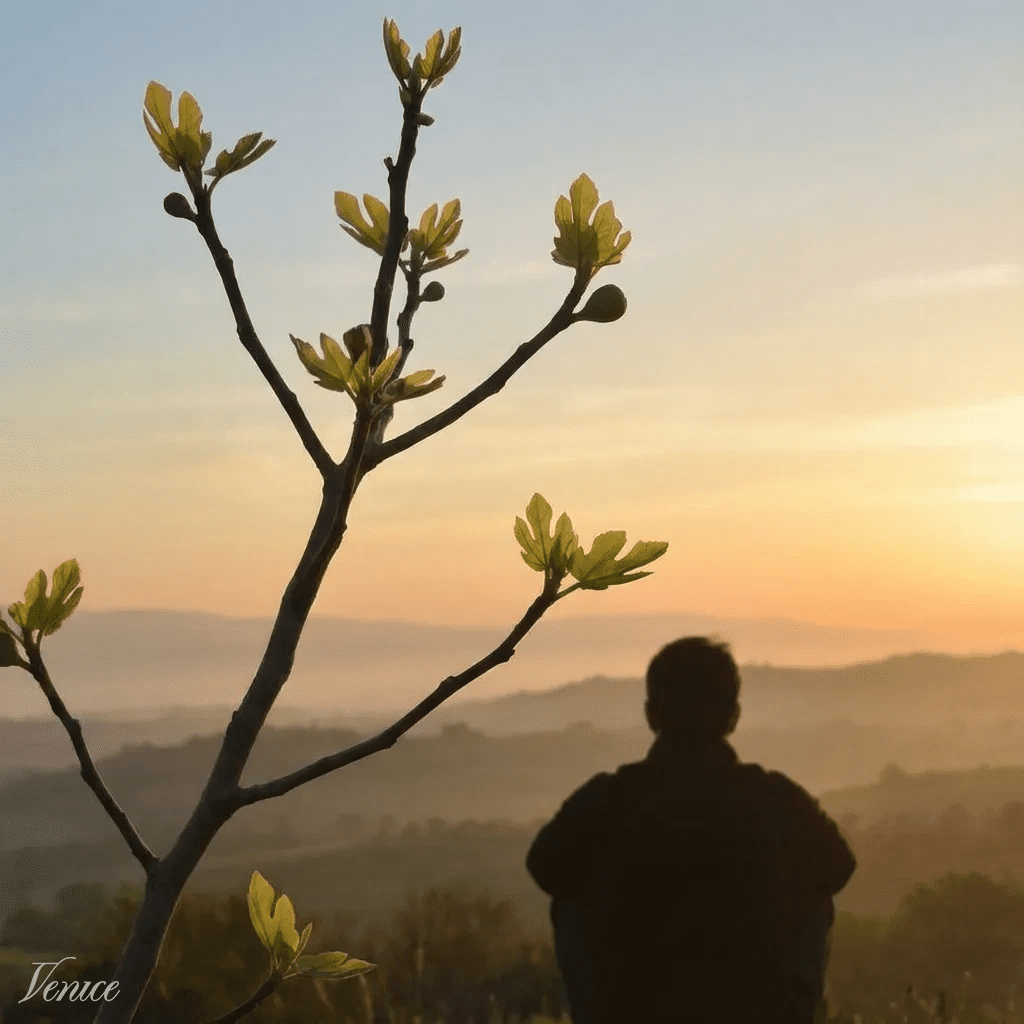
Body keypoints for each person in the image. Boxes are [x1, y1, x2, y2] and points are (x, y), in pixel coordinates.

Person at [526, 637, 857, 1023]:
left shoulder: (604, 803)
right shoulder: (779, 803)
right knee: (815, 895)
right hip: (755, 1010)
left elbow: (544, 866)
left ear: (652, 715)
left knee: (570, 896)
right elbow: (838, 868)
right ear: (733, 715)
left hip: (629, 1006)